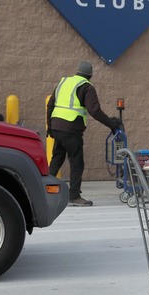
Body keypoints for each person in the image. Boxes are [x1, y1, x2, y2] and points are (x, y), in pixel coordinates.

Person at [46, 61, 122, 207]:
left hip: (57, 127)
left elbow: (51, 104)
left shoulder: (64, 82)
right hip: (71, 128)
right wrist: (112, 125)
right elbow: (94, 111)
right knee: (76, 162)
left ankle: (45, 192)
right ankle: (74, 196)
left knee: (57, 159)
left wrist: (50, 127)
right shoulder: (86, 87)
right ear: (90, 75)